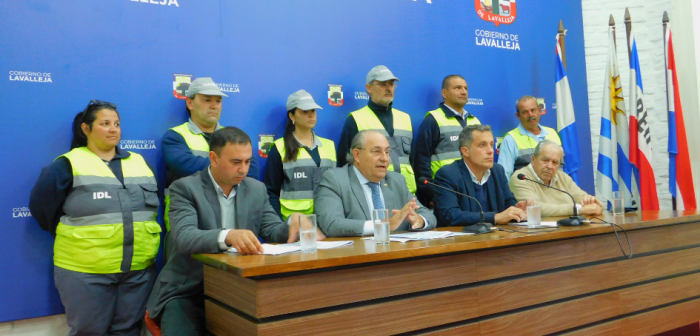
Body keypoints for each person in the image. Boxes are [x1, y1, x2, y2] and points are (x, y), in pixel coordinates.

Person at [146, 127, 304, 335]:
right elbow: (184, 237)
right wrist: (228, 235)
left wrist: (293, 226)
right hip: (187, 290)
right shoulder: (185, 188)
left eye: (247, 162)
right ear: (214, 158)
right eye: (236, 162)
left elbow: (272, 229)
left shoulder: (256, 189)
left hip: (236, 287)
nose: (243, 170)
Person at [29, 100, 160, 335]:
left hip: (138, 271)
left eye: (117, 124)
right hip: (86, 272)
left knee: (128, 330)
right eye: (105, 123)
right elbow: (42, 210)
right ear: (86, 129)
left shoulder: (140, 162)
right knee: (89, 331)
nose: (113, 129)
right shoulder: (67, 165)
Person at [161, 77, 259, 230]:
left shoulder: (233, 136)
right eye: (207, 100)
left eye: (218, 101)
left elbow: (252, 171)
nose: (214, 106)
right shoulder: (175, 136)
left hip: (233, 222)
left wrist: (229, 166)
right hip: (190, 224)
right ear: (190, 103)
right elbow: (186, 167)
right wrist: (228, 167)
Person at [315, 130, 436, 237]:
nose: (384, 158)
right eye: (377, 151)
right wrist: (383, 226)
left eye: (387, 152)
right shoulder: (336, 179)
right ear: (357, 155)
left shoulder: (396, 180)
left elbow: (427, 215)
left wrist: (419, 221)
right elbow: (331, 224)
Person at [336, 65, 417, 194]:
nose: (389, 88)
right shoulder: (356, 119)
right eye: (383, 84)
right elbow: (344, 163)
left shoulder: (405, 118)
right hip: (371, 194)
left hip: (406, 193)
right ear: (369, 88)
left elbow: (414, 160)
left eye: (391, 84)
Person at [263, 90, 336, 224]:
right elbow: (271, 192)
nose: (311, 115)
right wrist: (280, 226)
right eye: (304, 111)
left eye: (313, 111)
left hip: (327, 223)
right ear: (292, 116)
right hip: (293, 226)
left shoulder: (329, 145)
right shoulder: (280, 147)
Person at [434, 125, 526, 227]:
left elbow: (508, 203)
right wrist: (494, 218)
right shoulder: (448, 175)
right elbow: (450, 215)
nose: (491, 151)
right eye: (482, 145)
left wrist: (517, 209)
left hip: (496, 237)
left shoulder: (497, 171)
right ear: (465, 151)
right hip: (462, 240)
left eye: (491, 145)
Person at [412, 75, 481, 208]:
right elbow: (421, 161)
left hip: (473, 195)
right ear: (444, 93)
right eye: (457, 88)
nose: (463, 92)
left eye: (466, 88)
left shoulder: (475, 121)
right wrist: (432, 195)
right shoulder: (433, 120)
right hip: (444, 193)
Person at [509, 140, 603, 216]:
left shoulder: (563, 177)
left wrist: (592, 202)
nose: (550, 166)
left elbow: (584, 200)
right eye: (545, 160)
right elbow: (535, 208)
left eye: (555, 162)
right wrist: (577, 209)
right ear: (533, 160)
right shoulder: (521, 178)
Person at [497, 95, 562, 182]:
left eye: (533, 110)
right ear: (518, 116)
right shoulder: (510, 139)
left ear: (539, 110)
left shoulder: (553, 133)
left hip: (555, 190)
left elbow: (561, 167)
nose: (530, 115)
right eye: (525, 112)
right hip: (526, 192)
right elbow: (504, 176)